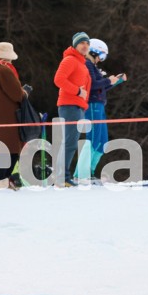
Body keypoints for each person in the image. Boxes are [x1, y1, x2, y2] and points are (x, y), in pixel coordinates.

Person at [75, 38, 124, 181]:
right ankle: (81, 174)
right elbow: (93, 86)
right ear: (94, 51)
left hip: (99, 105)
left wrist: (115, 81)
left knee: (103, 142)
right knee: (94, 140)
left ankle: (89, 171)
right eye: (101, 56)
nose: (101, 60)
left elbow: (100, 87)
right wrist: (109, 80)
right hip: (92, 106)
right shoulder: (87, 64)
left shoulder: (93, 66)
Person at [0, 42, 31, 189]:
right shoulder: (4, 71)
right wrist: (25, 92)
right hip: (7, 118)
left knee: (5, 154)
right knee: (10, 153)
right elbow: (17, 95)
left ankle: (2, 183)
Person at [54, 32, 92, 186]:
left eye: (87, 43)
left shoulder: (81, 63)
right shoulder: (70, 60)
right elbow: (58, 79)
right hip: (69, 105)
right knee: (70, 143)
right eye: (82, 43)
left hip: (78, 106)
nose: (85, 46)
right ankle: (62, 177)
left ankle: (61, 176)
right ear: (75, 45)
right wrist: (77, 91)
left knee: (70, 142)